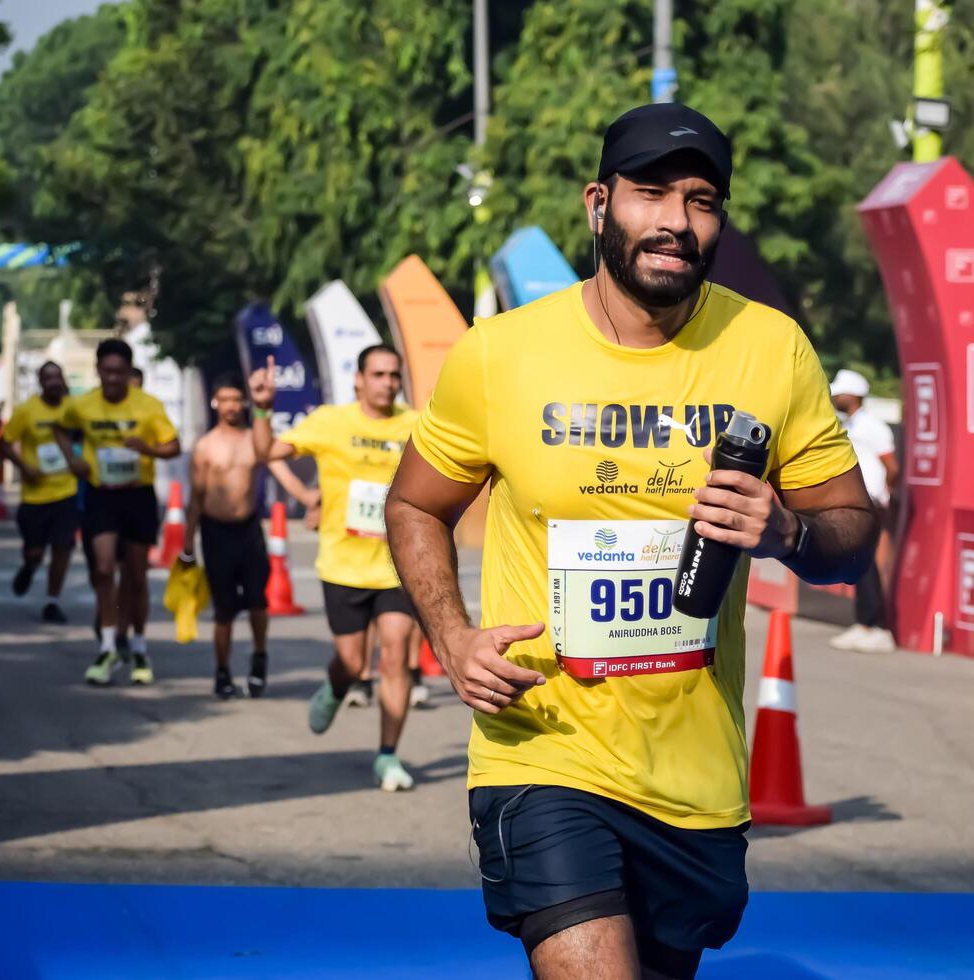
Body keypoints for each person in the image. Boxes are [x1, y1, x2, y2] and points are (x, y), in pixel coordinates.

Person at [384, 102, 878, 980]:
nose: (675, 222)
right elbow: (414, 504)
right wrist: (451, 637)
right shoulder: (501, 355)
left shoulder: (772, 349)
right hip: (542, 750)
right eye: (650, 192)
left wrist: (789, 528)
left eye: (701, 200)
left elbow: (851, 536)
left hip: (694, 778)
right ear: (598, 204)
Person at [249, 345, 420, 792]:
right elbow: (267, 451)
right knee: (349, 661)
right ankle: (336, 688)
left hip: (396, 565)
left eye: (393, 375)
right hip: (342, 564)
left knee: (397, 654)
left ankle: (388, 756)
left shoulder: (416, 425)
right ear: (358, 380)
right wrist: (263, 410)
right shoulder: (330, 422)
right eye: (378, 374)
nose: (387, 382)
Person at [182, 374, 320, 699]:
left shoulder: (253, 441)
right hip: (216, 533)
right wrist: (187, 545)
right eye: (224, 400)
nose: (231, 406)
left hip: (248, 531)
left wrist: (310, 499)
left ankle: (259, 658)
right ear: (216, 403)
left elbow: (282, 473)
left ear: (243, 402)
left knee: (258, 602)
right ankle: (222, 671)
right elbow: (196, 498)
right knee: (224, 610)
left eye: (236, 399)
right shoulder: (205, 447)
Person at [54, 338, 180, 686]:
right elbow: (59, 429)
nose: (112, 379)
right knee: (105, 569)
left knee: (137, 576)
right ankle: (108, 645)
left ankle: (138, 646)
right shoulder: (82, 405)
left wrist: (148, 449)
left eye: (119, 372)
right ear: (97, 371)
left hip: (137, 495)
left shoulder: (148, 406)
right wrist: (73, 460)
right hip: (101, 495)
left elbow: (174, 446)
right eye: (107, 371)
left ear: (129, 373)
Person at [0, 361, 78, 623]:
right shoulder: (27, 411)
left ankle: (52, 601)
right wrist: (24, 467)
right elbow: (5, 446)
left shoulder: (72, 409)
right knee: (35, 552)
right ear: (40, 382)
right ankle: (29, 566)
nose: (54, 382)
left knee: (62, 546)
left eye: (58, 376)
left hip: (66, 491)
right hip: (35, 495)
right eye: (48, 378)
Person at [829, 369, 898, 653]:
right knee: (861, 560)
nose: (834, 397)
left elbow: (892, 467)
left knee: (867, 562)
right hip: (859, 500)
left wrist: (882, 493)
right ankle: (865, 624)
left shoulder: (872, 425)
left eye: (839, 393)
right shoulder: (854, 424)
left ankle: (876, 628)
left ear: (853, 396)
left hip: (870, 501)